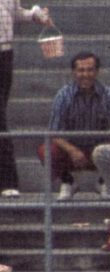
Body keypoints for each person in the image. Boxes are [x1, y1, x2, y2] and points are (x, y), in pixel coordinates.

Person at [39, 51, 110, 201]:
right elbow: (54, 132)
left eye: (90, 70)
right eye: (81, 70)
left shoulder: (109, 94)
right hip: (72, 150)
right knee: (46, 150)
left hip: (99, 149)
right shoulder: (63, 95)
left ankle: (105, 181)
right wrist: (72, 150)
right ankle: (68, 181)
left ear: (97, 71)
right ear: (74, 72)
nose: (86, 74)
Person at [0, 0, 52, 197]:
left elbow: (14, 13)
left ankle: (7, 181)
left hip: (4, 55)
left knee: (0, 119)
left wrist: (34, 15)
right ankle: (7, 181)